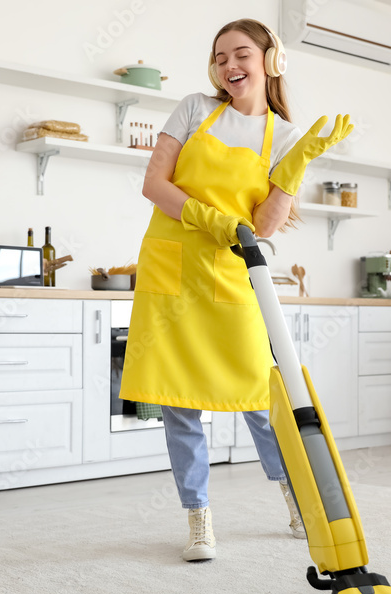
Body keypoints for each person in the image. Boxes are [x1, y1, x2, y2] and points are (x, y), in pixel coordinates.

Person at [120, 18, 353, 562]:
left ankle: (295, 501)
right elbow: (155, 184)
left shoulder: (285, 137)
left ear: (272, 60)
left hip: (234, 271)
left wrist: (295, 166)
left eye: (242, 55)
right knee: (179, 402)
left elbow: (266, 226)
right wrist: (210, 219)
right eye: (221, 57)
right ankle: (198, 520)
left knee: (259, 395)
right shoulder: (195, 109)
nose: (230, 67)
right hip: (174, 268)